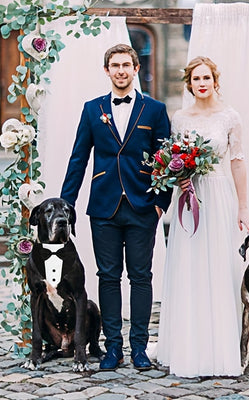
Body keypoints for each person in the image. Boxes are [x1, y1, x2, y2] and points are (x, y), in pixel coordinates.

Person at [60, 44, 172, 371]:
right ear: (107, 71)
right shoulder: (92, 110)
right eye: (115, 65)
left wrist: (160, 206)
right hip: (104, 209)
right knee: (107, 278)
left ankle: (138, 347)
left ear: (136, 69)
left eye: (127, 65)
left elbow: (166, 160)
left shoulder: (154, 110)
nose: (121, 70)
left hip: (142, 207)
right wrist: (67, 206)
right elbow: (78, 159)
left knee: (141, 277)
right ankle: (113, 349)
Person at [157, 56, 249, 377]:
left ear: (215, 81)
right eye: (196, 79)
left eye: (206, 78)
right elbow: (172, 158)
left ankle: (220, 348)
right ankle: (188, 344)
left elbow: (237, 161)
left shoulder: (230, 117)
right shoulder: (180, 118)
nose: (201, 83)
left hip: (219, 195)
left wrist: (243, 206)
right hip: (190, 196)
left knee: (218, 265)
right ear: (189, 83)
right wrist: (179, 177)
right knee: (190, 266)